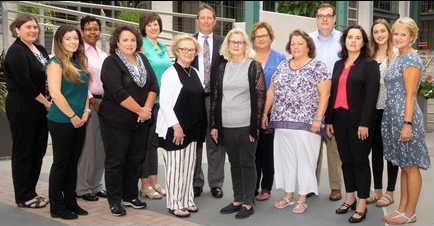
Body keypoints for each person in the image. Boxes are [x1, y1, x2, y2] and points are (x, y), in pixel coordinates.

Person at [263, 29, 331, 214]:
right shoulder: (283, 66)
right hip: (281, 122)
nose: (296, 47)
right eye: (293, 43)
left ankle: (302, 198)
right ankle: (288, 195)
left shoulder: (318, 67)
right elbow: (271, 90)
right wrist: (264, 114)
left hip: (307, 124)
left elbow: (325, 94)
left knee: (305, 161)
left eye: (300, 43)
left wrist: (318, 118)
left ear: (308, 46)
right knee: (285, 160)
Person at [99, 25, 158, 217]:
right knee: (116, 161)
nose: (130, 43)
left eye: (132, 40)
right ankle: (115, 200)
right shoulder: (111, 62)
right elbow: (118, 92)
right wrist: (140, 110)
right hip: (116, 121)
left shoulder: (143, 59)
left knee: (135, 160)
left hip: (141, 121)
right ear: (117, 42)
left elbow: (153, 85)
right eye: (125, 40)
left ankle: (130, 196)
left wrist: (146, 110)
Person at [325, 25, 380, 223]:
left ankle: (362, 203)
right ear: (345, 40)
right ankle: (350, 198)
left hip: (359, 122)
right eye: (350, 37)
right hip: (339, 119)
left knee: (360, 162)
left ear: (364, 42)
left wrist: (365, 123)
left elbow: (371, 96)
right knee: (346, 160)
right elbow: (333, 95)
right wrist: (329, 119)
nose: (353, 41)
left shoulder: (370, 64)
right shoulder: (339, 64)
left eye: (358, 38)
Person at [211, 28, 265, 219]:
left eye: (239, 42)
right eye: (232, 42)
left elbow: (260, 98)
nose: (236, 45)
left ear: (245, 45)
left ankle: (248, 203)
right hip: (226, 125)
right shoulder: (222, 67)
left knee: (247, 162)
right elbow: (216, 98)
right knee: (234, 163)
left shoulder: (253, 66)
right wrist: (214, 125)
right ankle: (237, 200)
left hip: (245, 125)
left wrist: (255, 126)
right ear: (227, 45)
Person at [382, 17, 431, 225]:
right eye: (396, 34)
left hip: (405, 118)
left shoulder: (411, 59)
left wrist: (407, 124)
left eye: (404, 34)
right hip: (394, 118)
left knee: (411, 167)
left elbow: (411, 95)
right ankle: (402, 208)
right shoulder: (398, 56)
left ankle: (410, 212)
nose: (398, 38)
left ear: (412, 36)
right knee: (404, 165)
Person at [156, 35, 206, 218]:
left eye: (191, 49)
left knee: (188, 167)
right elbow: (165, 104)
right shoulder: (170, 73)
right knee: (175, 169)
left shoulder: (195, 72)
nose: (188, 52)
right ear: (176, 51)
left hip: (192, 128)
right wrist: (176, 127)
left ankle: (187, 199)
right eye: (184, 49)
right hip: (175, 129)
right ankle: (175, 203)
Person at [45, 24, 91, 220]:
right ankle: (56, 206)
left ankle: (70, 201)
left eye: (75, 38)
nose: (73, 42)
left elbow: (84, 90)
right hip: (62, 120)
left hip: (80, 119)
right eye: (68, 39)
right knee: (61, 163)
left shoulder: (78, 61)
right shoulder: (56, 63)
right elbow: (55, 94)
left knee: (73, 163)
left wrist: (86, 110)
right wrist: (72, 116)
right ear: (60, 42)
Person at [5, 14, 50, 209]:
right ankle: (23, 196)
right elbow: (25, 83)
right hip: (22, 109)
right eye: (28, 27)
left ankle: (31, 191)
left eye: (35, 27)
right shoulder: (15, 51)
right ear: (17, 30)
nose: (33, 30)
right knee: (23, 152)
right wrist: (46, 102)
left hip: (40, 110)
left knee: (38, 150)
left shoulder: (39, 49)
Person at [191, 3, 226, 198]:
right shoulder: (189, 43)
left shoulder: (223, 43)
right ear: (197, 21)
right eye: (202, 18)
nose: (205, 21)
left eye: (209, 18)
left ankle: (216, 183)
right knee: (196, 141)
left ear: (215, 21)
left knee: (215, 141)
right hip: (195, 99)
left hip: (215, 99)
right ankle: (197, 182)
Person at [308, 3, 343, 201]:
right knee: (312, 145)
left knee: (333, 146)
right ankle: (311, 185)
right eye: (321, 15)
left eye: (328, 15)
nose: (324, 19)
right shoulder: (308, 39)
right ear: (316, 18)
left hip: (335, 97)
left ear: (334, 18)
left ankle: (335, 186)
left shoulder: (342, 40)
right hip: (312, 98)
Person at [249, 21, 286, 201]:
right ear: (253, 39)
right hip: (250, 112)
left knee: (267, 151)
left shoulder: (280, 59)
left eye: (264, 35)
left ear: (271, 37)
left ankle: (266, 187)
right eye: (258, 36)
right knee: (253, 150)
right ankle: (253, 185)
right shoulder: (248, 58)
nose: (261, 39)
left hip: (272, 113)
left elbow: (283, 86)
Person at [138, 12, 171, 200]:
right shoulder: (141, 46)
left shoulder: (163, 47)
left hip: (162, 102)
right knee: (145, 144)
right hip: (148, 102)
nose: (153, 27)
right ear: (144, 28)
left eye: (156, 24)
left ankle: (154, 180)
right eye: (149, 24)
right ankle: (144, 184)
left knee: (153, 144)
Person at [366, 19, 399, 207]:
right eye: (376, 31)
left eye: (382, 31)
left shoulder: (396, 54)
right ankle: (377, 190)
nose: (379, 35)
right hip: (373, 111)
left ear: (389, 32)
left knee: (391, 152)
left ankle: (390, 192)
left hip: (390, 109)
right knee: (376, 152)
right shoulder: (369, 54)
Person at [76, 15, 108, 202]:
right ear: (82, 31)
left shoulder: (102, 53)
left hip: (106, 103)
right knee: (88, 147)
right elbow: (79, 79)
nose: (93, 32)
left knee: (101, 147)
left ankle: (96, 185)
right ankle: (83, 187)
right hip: (89, 102)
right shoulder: (80, 52)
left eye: (96, 28)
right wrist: (92, 101)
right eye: (89, 28)